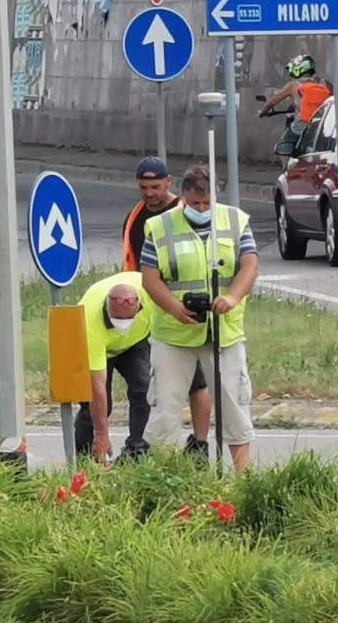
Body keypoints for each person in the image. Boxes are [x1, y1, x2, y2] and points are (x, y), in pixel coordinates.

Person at [141, 165, 260, 472]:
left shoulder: (235, 221)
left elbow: (249, 266)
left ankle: (242, 477)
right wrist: (174, 308)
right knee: (165, 409)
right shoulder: (160, 227)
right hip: (174, 335)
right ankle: (162, 477)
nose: (202, 209)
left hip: (224, 331)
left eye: (207, 203)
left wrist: (231, 297)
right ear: (184, 196)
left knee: (233, 405)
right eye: (195, 204)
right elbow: (150, 279)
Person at [122, 156, 213, 459]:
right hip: (149, 314)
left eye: (155, 186)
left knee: (196, 383)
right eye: (144, 187)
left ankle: (199, 443)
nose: (149, 193)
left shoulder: (184, 212)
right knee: (154, 387)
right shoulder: (135, 217)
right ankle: (152, 447)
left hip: (187, 316)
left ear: (169, 183)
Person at [73, 272, 153, 463]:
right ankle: (86, 461)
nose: (121, 325)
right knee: (95, 404)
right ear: (107, 308)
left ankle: (136, 452)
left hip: (136, 341)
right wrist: (102, 434)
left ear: (139, 307)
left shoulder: (150, 296)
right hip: (100, 347)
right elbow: (97, 389)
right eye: (116, 319)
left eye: (128, 319)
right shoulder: (88, 319)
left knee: (144, 390)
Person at [258, 55, 333, 159]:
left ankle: (286, 172)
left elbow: (272, 102)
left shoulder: (294, 85)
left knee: (283, 148)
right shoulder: (325, 83)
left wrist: (263, 111)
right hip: (322, 126)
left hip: (301, 126)